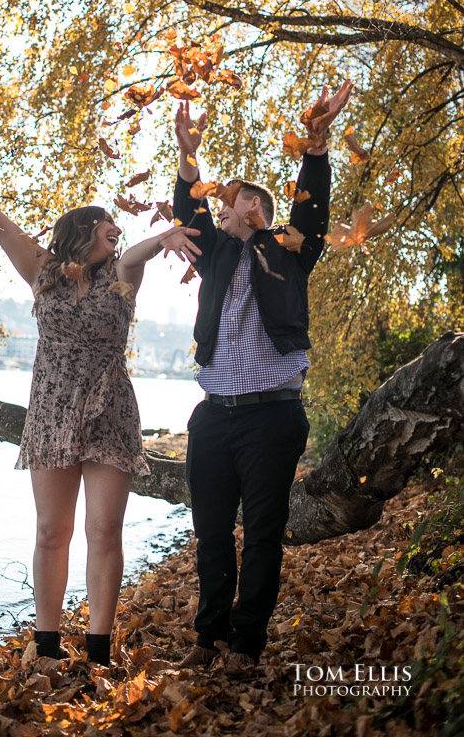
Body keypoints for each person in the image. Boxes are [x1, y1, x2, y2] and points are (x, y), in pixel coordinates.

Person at [0, 160, 200, 667]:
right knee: (51, 532)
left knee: (104, 531)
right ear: (83, 228)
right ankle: (47, 647)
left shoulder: (121, 275)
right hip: (52, 412)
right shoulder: (42, 272)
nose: (116, 232)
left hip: (109, 411)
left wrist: (165, 237)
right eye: (107, 224)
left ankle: (99, 651)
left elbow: (140, 254)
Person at [172, 81, 354, 672]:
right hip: (214, 417)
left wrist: (317, 141)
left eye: (233, 201)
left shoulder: (290, 251)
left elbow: (312, 210)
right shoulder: (216, 255)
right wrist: (187, 154)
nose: (221, 206)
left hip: (273, 414)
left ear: (257, 211)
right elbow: (188, 211)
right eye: (221, 202)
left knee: (263, 536)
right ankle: (208, 637)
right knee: (212, 534)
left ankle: (246, 643)